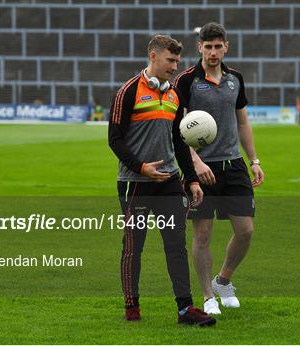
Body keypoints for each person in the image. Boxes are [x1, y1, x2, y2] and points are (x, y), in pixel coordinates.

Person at [108, 35, 216, 326]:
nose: (174, 66)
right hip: (135, 183)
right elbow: (114, 140)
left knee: (175, 245)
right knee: (134, 246)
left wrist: (192, 180)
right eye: (170, 60)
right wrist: (141, 168)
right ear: (153, 56)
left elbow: (180, 143)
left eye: (177, 61)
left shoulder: (173, 95)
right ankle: (132, 305)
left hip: (169, 182)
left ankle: (185, 309)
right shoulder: (128, 92)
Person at [174, 23, 265, 315]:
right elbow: (178, 127)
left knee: (246, 230)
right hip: (200, 170)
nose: (213, 52)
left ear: (226, 47)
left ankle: (223, 281)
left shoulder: (235, 79)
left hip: (233, 165)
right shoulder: (187, 80)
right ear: (199, 47)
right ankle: (207, 296)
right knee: (202, 235)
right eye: (208, 46)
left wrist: (254, 160)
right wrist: (195, 163)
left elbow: (242, 122)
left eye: (218, 46)